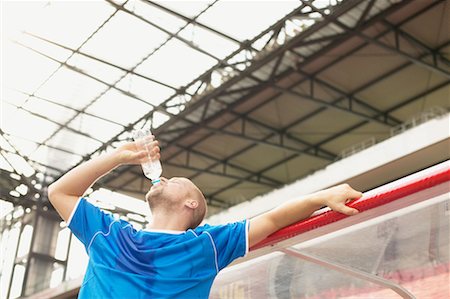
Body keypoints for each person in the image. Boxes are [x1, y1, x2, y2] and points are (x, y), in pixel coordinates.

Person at [48, 137, 362, 298]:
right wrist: (117, 157)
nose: (165, 179)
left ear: (190, 203)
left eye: (176, 181)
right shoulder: (110, 235)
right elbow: (59, 192)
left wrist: (320, 197)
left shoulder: (207, 244)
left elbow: (274, 219)